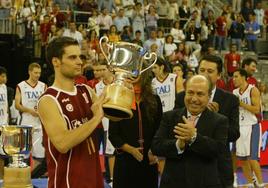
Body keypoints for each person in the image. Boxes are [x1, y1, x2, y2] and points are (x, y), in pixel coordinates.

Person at [37, 37, 107, 188]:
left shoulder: (86, 90)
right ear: (56, 62)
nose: (80, 62)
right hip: (68, 182)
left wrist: (121, 88)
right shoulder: (49, 100)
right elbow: (62, 143)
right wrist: (96, 119)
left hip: (94, 178)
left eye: (80, 57)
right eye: (72, 57)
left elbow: (114, 115)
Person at [151, 75, 228, 188]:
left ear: (209, 96)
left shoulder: (220, 121)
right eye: (190, 93)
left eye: (200, 94)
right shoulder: (169, 117)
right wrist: (178, 145)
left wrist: (194, 138)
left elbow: (218, 150)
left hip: (205, 183)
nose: (194, 99)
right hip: (172, 183)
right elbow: (156, 146)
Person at [174, 55, 240, 188]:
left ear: (219, 75)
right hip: (187, 167)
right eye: (202, 70)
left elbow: (234, 133)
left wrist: (217, 118)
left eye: (210, 71)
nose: (205, 74)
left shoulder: (230, 99)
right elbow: (175, 128)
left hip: (218, 168)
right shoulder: (183, 97)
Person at [109, 68, 163, 188]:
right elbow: (113, 135)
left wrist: (153, 150)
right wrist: (131, 150)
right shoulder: (117, 100)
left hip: (149, 161)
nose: (131, 74)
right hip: (125, 161)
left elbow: (160, 129)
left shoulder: (154, 100)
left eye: (135, 70)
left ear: (144, 72)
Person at [232, 69, 264, 187]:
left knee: (252, 158)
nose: (233, 79)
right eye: (233, 77)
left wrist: (240, 103)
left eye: (236, 76)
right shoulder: (234, 92)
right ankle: (250, 183)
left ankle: (260, 184)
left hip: (252, 125)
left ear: (243, 77)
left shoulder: (253, 90)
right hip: (240, 126)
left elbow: (256, 109)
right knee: (243, 159)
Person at [15, 63, 47, 169]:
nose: (38, 75)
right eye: (35, 73)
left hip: (39, 123)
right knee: (24, 153)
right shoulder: (21, 86)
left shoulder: (43, 86)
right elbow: (17, 105)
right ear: (29, 72)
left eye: (39, 73)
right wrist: (30, 111)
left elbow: (47, 103)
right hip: (25, 122)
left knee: (39, 154)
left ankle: (35, 176)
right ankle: (24, 176)